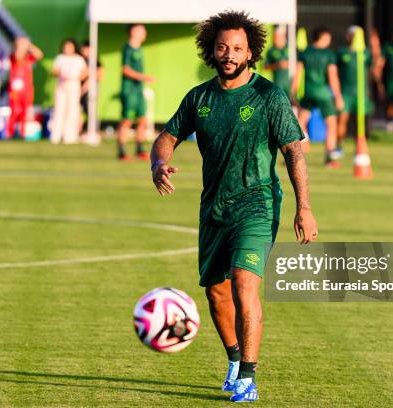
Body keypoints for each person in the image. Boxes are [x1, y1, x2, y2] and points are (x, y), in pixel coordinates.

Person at [150, 10, 318, 403]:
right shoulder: (200, 98)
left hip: (257, 205)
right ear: (211, 50)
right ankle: (233, 359)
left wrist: (304, 207)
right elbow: (167, 136)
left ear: (250, 52)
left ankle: (247, 377)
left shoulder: (267, 96)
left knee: (245, 287)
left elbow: (294, 151)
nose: (229, 54)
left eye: (237, 48)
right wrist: (159, 163)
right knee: (216, 293)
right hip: (215, 209)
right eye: (222, 47)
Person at [291, 27, 344, 167]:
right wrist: (338, 96)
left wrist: (292, 92)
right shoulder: (329, 54)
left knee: (301, 122)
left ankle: (297, 153)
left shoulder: (305, 53)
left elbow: (297, 74)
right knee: (331, 124)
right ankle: (330, 158)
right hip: (323, 94)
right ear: (324, 37)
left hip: (308, 92)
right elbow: (333, 77)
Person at [117, 24, 155, 160]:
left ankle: (140, 149)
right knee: (127, 121)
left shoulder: (139, 48)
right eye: (141, 29)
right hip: (129, 91)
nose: (144, 32)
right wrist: (144, 77)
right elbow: (125, 70)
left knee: (142, 120)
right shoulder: (128, 49)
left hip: (139, 91)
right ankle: (121, 151)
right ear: (133, 31)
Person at [335, 26, 375, 152]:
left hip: (361, 93)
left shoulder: (366, 53)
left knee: (360, 122)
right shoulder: (342, 52)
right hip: (346, 93)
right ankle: (339, 146)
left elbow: (374, 68)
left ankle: (360, 148)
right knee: (342, 119)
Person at [51, 38, 87, 144]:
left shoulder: (78, 59)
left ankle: (70, 136)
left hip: (73, 84)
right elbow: (54, 71)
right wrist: (61, 74)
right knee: (59, 109)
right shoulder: (60, 58)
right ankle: (56, 135)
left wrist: (75, 77)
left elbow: (85, 72)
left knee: (72, 110)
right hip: (62, 85)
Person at [6, 36, 43, 139]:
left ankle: (22, 133)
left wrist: (29, 46)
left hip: (27, 90)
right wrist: (20, 46)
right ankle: (10, 133)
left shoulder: (29, 58)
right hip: (15, 90)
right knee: (14, 111)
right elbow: (18, 56)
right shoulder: (13, 57)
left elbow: (39, 55)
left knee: (25, 111)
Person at [80, 40, 104, 144]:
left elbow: (99, 75)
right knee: (81, 111)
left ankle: (94, 131)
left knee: (91, 111)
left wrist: (89, 75)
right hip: (80, 89)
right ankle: (81, 131)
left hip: (90, 90)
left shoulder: (95, 61)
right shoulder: (81, 60)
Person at [263, 25, 289, 96]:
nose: (275, 39)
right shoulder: (271, 51)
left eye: (277, 37)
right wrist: (277, 65)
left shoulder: (291, 48)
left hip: (290, 86)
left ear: (283, 37)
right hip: (277, 85)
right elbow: (266, 67)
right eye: (274, 37)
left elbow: (299, 65)